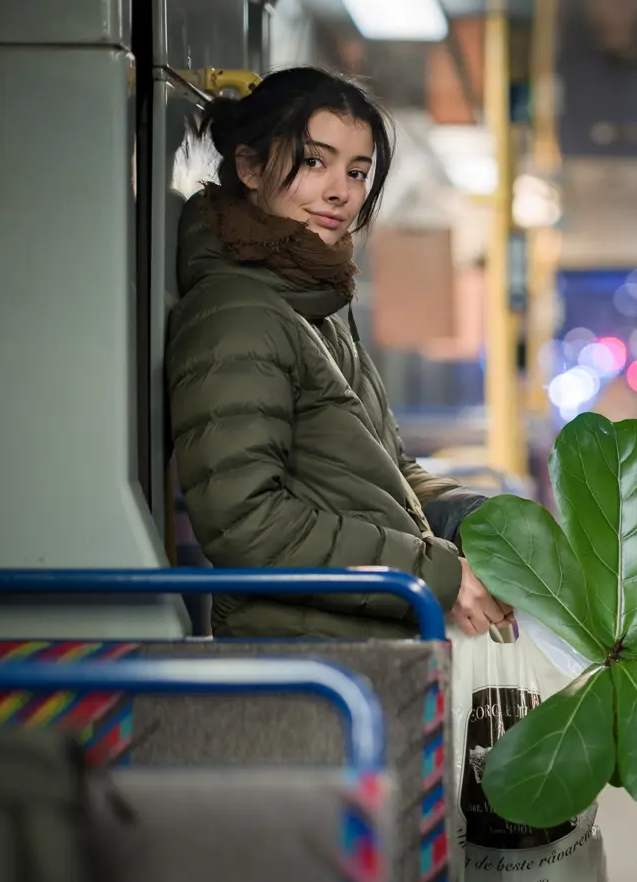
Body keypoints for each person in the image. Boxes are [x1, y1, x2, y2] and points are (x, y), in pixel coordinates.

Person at [166, 67, 509, 639]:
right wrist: (435, 577)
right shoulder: (239, 316)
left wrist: (480, 525)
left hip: (358, 644)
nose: (339, 191)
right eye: (313, 162)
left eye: (356, 172)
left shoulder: (313, 309)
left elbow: (386, 475)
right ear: (250, 167)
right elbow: (246, 524)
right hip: (307, 660)